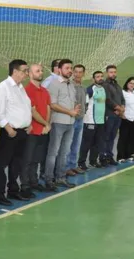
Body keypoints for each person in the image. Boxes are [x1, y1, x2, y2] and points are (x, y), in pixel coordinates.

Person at [0, 60, 32, 206]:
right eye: (24, 71)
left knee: (16, 164)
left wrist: (29, 125)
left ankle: (13, 190)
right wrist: (9, 129)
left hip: (22, 132)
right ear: (15, 71)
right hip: (10, 132)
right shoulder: (4, 87)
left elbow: (25, 107)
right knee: (2, 164)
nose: (26, 74)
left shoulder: (21, 88)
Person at [44, 59, 80, 191]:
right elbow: (52, 104)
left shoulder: (70, 84)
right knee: (53, 152)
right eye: (67, 68)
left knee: (64, 152)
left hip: (70, 122)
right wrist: (69, 111)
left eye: (71, 68)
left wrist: (75, 109)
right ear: (59, 69)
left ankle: (60, 177)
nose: (70, 70)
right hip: (58, 122)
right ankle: (49, 179)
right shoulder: (53, 84)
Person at [19, 64, 51, 198]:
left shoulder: (45, 91)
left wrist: (47, 125)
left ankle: (34, 182)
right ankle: (25, 186)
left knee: (36, 159)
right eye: (37, 71)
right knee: (27, 160)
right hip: (32, 132)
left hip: (43, 131)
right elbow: (32, 111)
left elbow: (48, 108)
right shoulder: (27, 90)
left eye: (41, 70)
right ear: (30, 74)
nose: (40, 72)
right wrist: (45, 124)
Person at [78, 71, 107, 169]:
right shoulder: (90, 89)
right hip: (90, 121)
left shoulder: (103, 89)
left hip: (101, 121)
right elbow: (84, 104)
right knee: (87, 143)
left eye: (101, 76)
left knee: (97, 143)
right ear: (93, 79)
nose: (100, 78)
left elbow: (101, 104)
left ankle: (93, 161)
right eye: (97, 77)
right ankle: (81, 163)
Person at [101, 65, 125, 165]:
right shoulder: (105, 85)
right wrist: (118, 108)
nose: (113, 74)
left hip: (117, 115)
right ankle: (103, 157)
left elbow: (122, 99)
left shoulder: (117, 85)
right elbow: (107, 99)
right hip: (109, 114)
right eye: (111, 72)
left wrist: (122, 107)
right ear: (107, 73)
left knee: (112, 137)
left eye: (114, 72)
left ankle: (109, 156)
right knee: (105, 136)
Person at [66, 64, 86, 176]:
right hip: (71, 119)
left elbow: (85, 103)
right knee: (68, 144)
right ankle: (66, 167)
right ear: (73, 73)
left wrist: (84, 111)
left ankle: (73, 165)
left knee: (76, 144)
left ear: (83, 73)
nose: (78, 74)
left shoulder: (83, 87)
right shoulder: (69, 85)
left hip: (80, 119)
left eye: (80, 72)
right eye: (76, 72)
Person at [117, 77, 134, 162]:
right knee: (123, 138)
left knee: (132, 139)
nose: (132, 85)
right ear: (127, 83)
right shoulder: (123, 93)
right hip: (126, 119)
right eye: (130, 83)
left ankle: (129, 155)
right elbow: (120, 104)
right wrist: (122, 115)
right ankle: (121, 156)